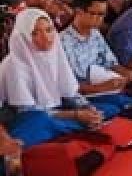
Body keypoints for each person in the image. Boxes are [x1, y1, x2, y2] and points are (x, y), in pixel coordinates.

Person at [0, 9, 105, 147]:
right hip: (24, 120)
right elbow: (28, 112)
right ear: (23, 37)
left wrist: (88, 108)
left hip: (56, 112)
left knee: (104, 108)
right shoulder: (13, 64)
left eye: (49, 30)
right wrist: (76, 115)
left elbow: (70, 93)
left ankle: (72, 132)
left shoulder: (54, 52)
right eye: (35, 33)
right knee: (40, 122)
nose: (46, 37)